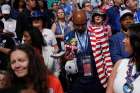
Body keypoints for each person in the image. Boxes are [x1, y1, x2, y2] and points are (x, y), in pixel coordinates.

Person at [64, 9, 112, 93]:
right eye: (77, 25)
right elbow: (67, 55)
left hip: (96, 77)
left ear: (87, 22)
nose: (80, 27)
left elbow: (105, 54)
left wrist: (109, 75)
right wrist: (66, 57)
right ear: (73, 23)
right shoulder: (69, 37)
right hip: (78, 79)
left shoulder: (97, 32)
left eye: (83, 25)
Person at [106, 23, 140, 93]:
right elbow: (109, 90)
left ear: (136, 42)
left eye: (127, 37)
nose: (123, 41)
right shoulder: (119, 64)